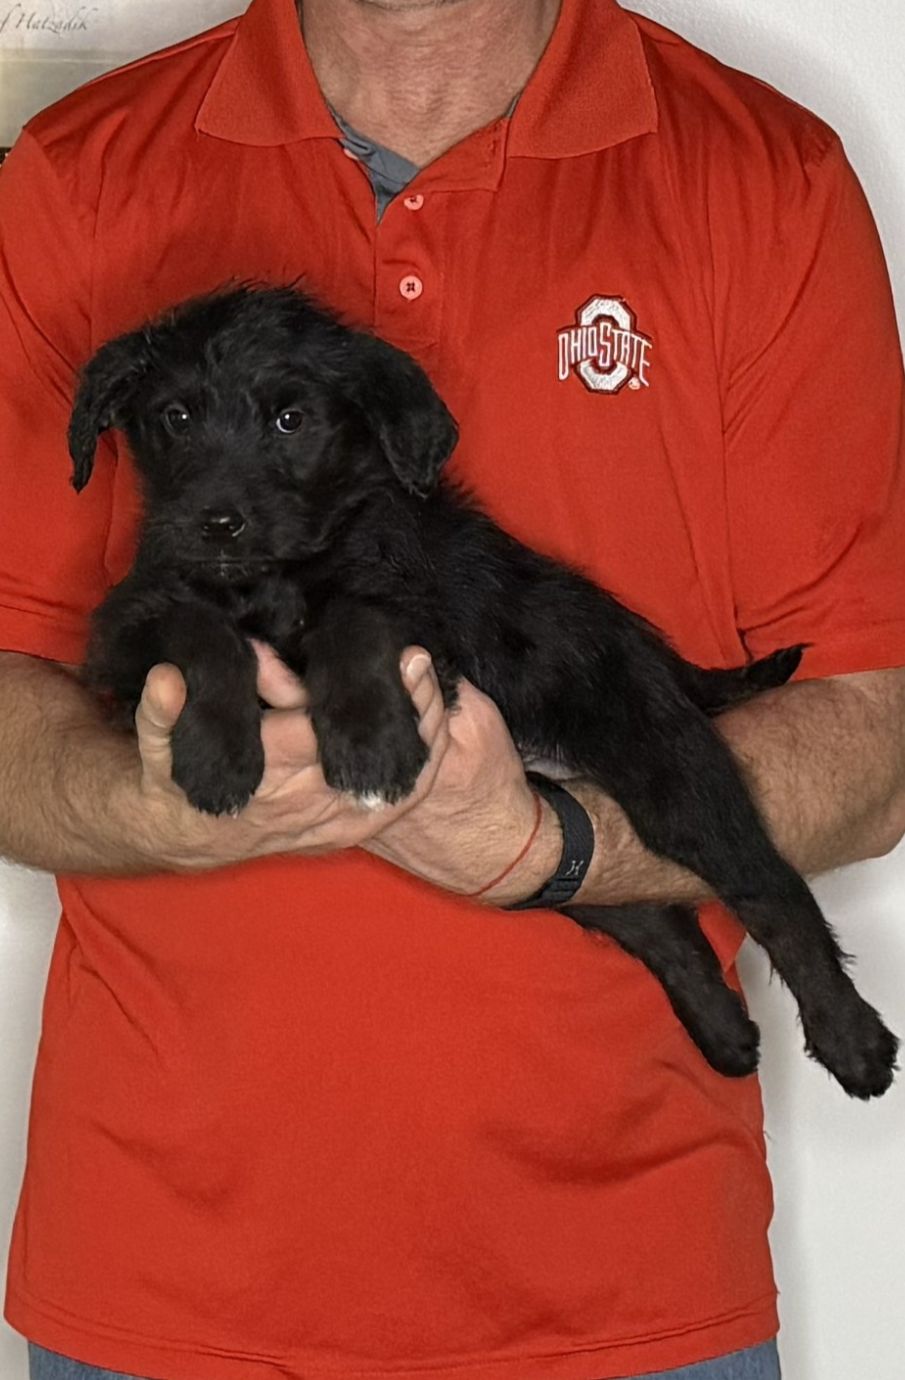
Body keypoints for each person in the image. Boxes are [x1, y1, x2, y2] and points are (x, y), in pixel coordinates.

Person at [1, 0, 904, 1376]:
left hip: (623, 1299)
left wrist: (555, 846)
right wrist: (151, 805)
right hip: (159, 1290)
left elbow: (872, 737)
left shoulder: (758, 178)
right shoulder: (78, 171)